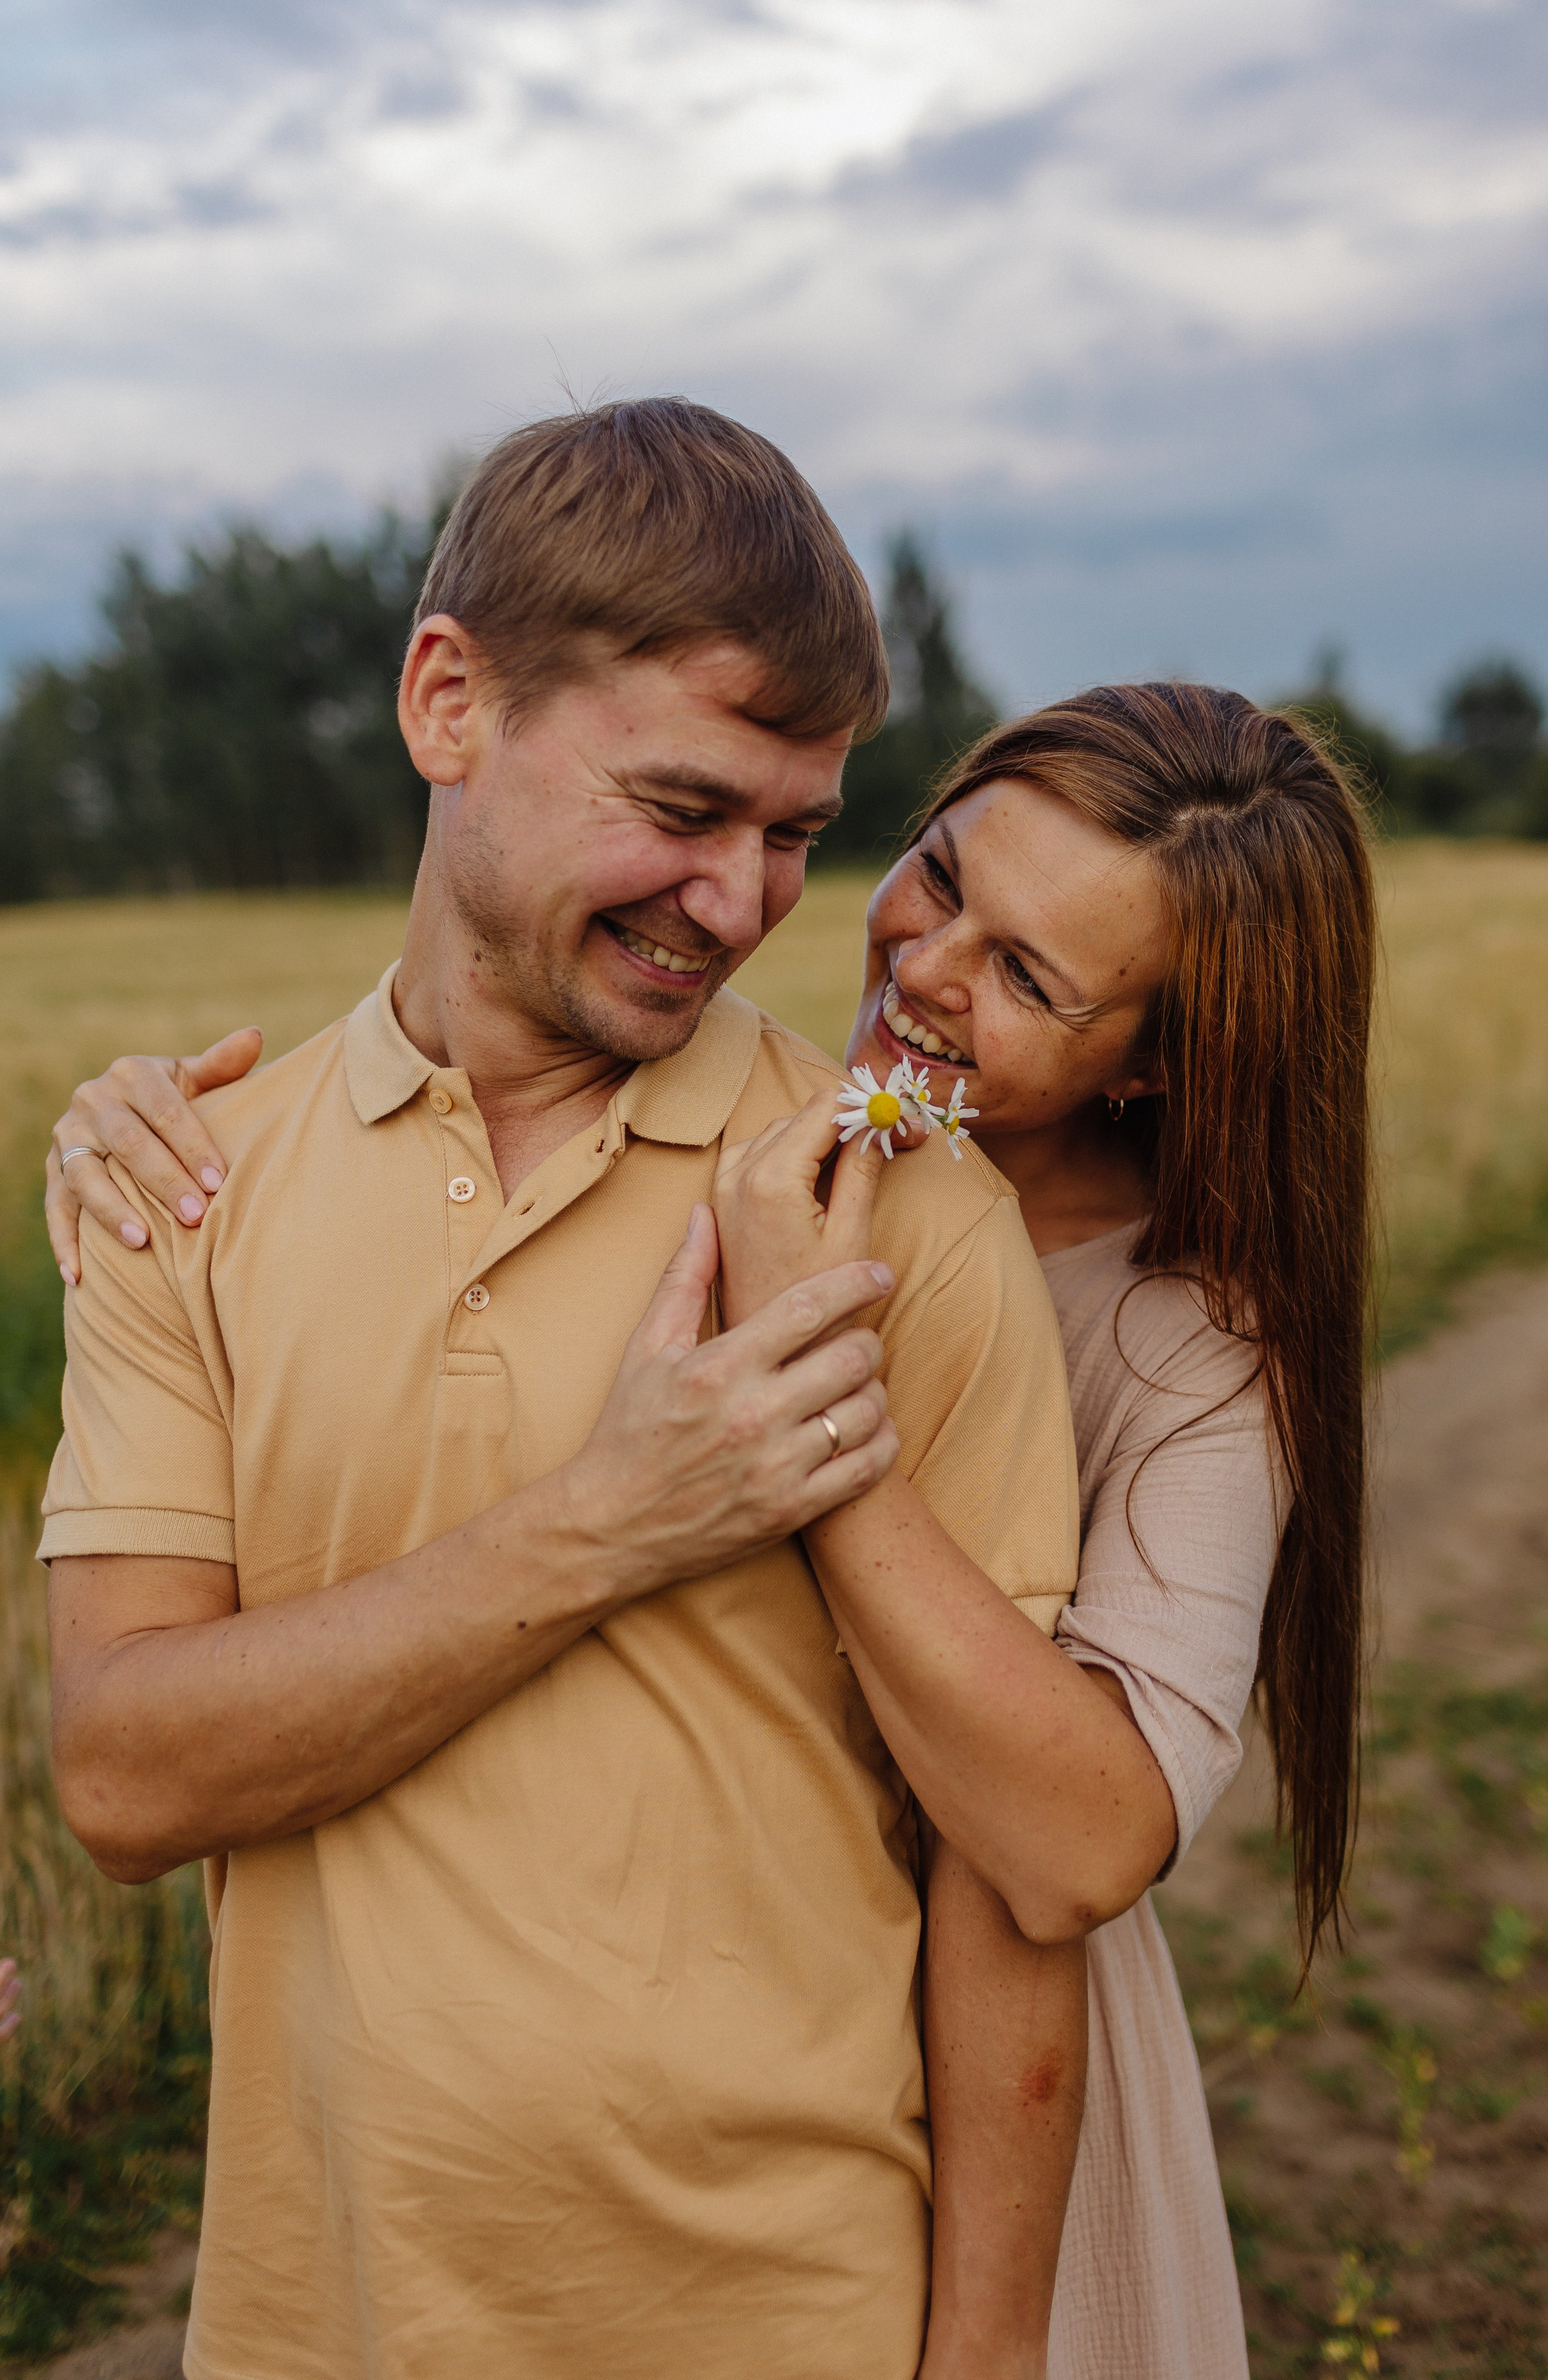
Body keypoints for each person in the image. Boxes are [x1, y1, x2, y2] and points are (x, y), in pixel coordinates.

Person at [57, 680, 1377, 2380]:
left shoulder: (1190, 1349)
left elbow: (1066, 1851)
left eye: (1032, 978)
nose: (927, 968)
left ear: (1155, 1070)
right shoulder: (781, 1141)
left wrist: (802, 1405)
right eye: (940, 872)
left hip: (986, 2113)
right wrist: (146, 1131)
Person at [39, 401, 1086, 2380]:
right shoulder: (184, 1180)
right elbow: (125, 1773)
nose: (747, 901)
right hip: (313, 2323)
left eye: (797, 833)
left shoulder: (894, 1202)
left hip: (798, 2322)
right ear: (451, 701)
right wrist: (622, 1512)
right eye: (685, 809)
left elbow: (1011, 1872)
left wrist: (993, 2359)